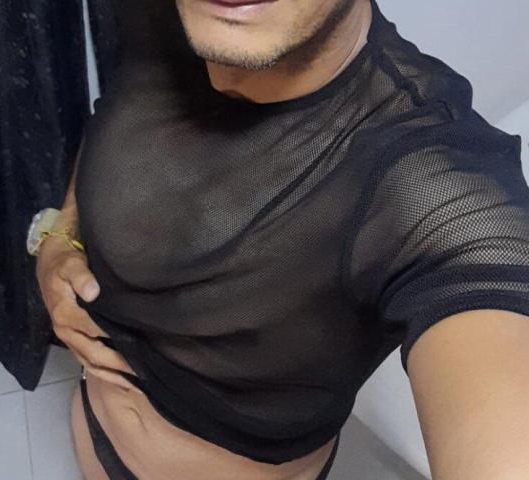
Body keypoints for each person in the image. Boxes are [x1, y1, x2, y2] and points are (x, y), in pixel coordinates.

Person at [35, 0, 529, 478]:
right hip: (94, 423)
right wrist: (61, 231)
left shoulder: (425, 176)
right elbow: (115, 117)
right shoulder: (170, 14)